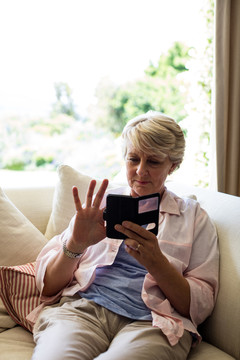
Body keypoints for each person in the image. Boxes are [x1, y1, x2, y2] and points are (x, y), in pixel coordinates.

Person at [29, 111, 219, 360]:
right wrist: (75, 244)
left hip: (153, 323)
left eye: (153, 162)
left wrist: (158, 264)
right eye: (133, 159)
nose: (140, 171)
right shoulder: (99, 207)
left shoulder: (194, 217)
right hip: (84, 311)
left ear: (172, 165)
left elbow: (199, 307)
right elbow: (48, 285)